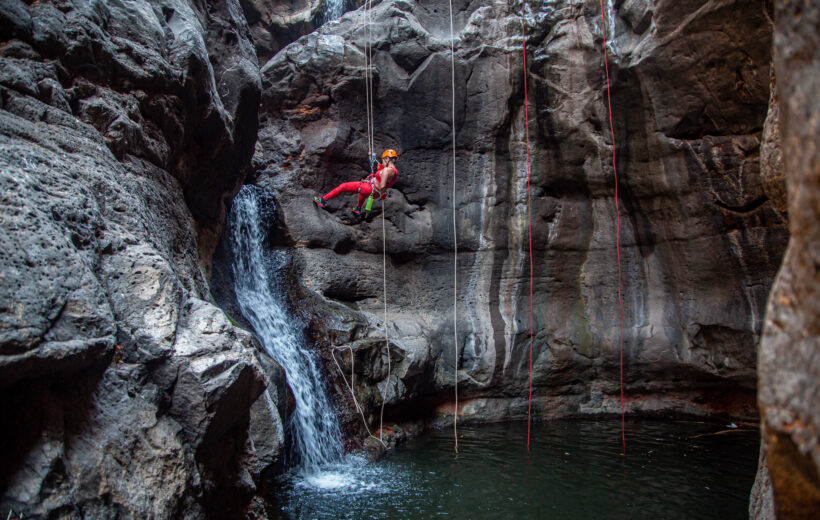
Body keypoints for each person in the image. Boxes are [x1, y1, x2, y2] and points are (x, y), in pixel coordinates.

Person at [314, 149, 399, 214]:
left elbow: (383, 186)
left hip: (369, 188)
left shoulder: (386, 170)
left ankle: (323, 200)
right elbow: (384, 180)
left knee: (343, 186)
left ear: (387, 159)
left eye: (383, 160)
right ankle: (358, 207)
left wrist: (382, 194)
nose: (382, 162)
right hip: (373, 192)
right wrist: (380, 171)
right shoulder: (395, 171)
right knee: (362, 193)